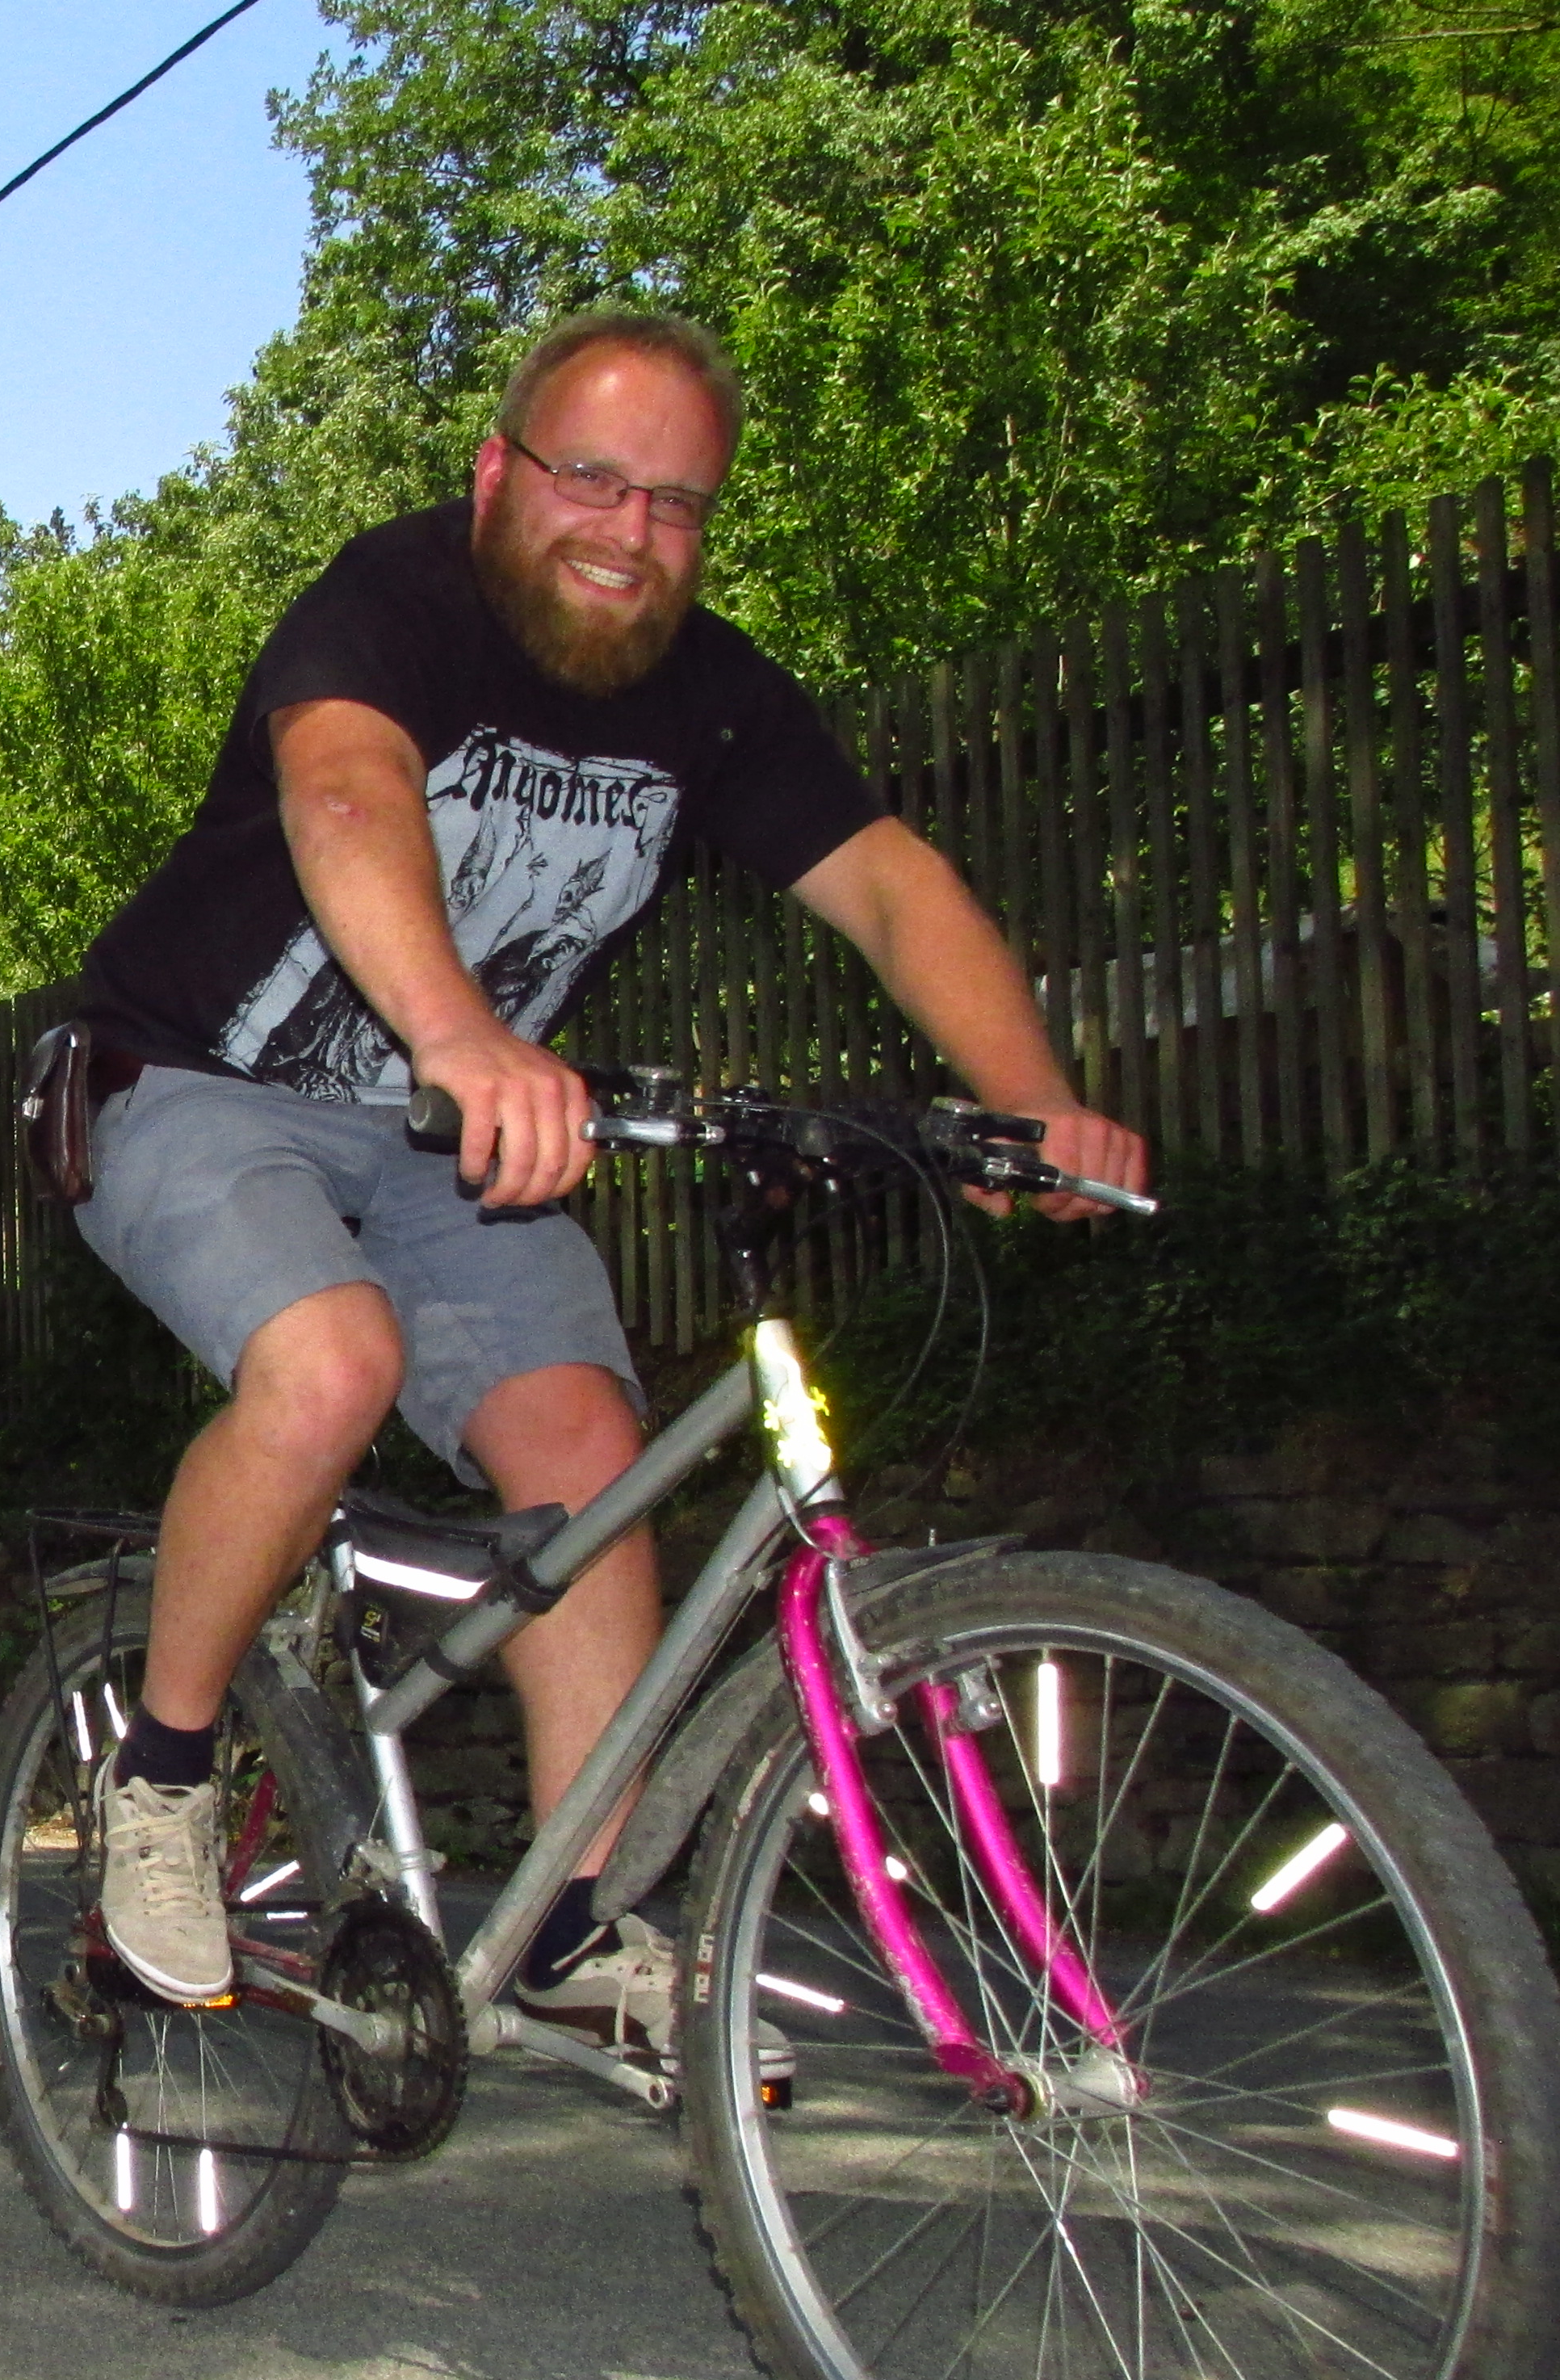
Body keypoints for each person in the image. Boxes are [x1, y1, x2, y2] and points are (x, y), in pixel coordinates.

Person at [71, 308, 1147, 2044]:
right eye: (590, 477)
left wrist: (1030, 1102)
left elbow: (887, 885)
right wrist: (460, 1033)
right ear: (497, 473)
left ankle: (570, 1923)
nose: (628, 532)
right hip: (186, 1076)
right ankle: (164, 1775)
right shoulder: (394, 599)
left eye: (676, 502)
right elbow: (345, 790)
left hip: (446, 1139)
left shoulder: (715, 700)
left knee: (591, 1455)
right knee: (329, 1359)